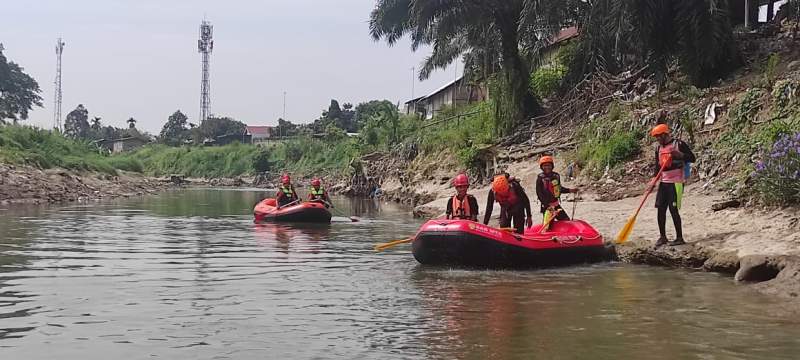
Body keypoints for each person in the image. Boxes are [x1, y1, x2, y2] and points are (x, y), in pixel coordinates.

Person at [651, 124, 696, 247]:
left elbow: (692, 158)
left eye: (659, 136)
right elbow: (657, 166)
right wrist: (654, 180)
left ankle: (679, 238)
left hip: (676, 182)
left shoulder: (679, 144)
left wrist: (680, 155)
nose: (657, 139)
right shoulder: (658, 148)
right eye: (656, 137)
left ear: (665, 134)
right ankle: (663, 237)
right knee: (660, 209)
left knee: (673, 209)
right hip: (664, 182)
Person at [535, 155, 579, 223]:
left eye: (549, 165)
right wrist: (547, 206)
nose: (547, 167)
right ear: (541, 167)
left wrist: (570, 190)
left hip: (556, 205)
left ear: (552, 166)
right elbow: (539, 194)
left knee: (566, 220)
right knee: (548, 225)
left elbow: (559, 189)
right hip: (547, 207)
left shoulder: (556, 176)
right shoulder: (540, 178)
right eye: (545, 166)